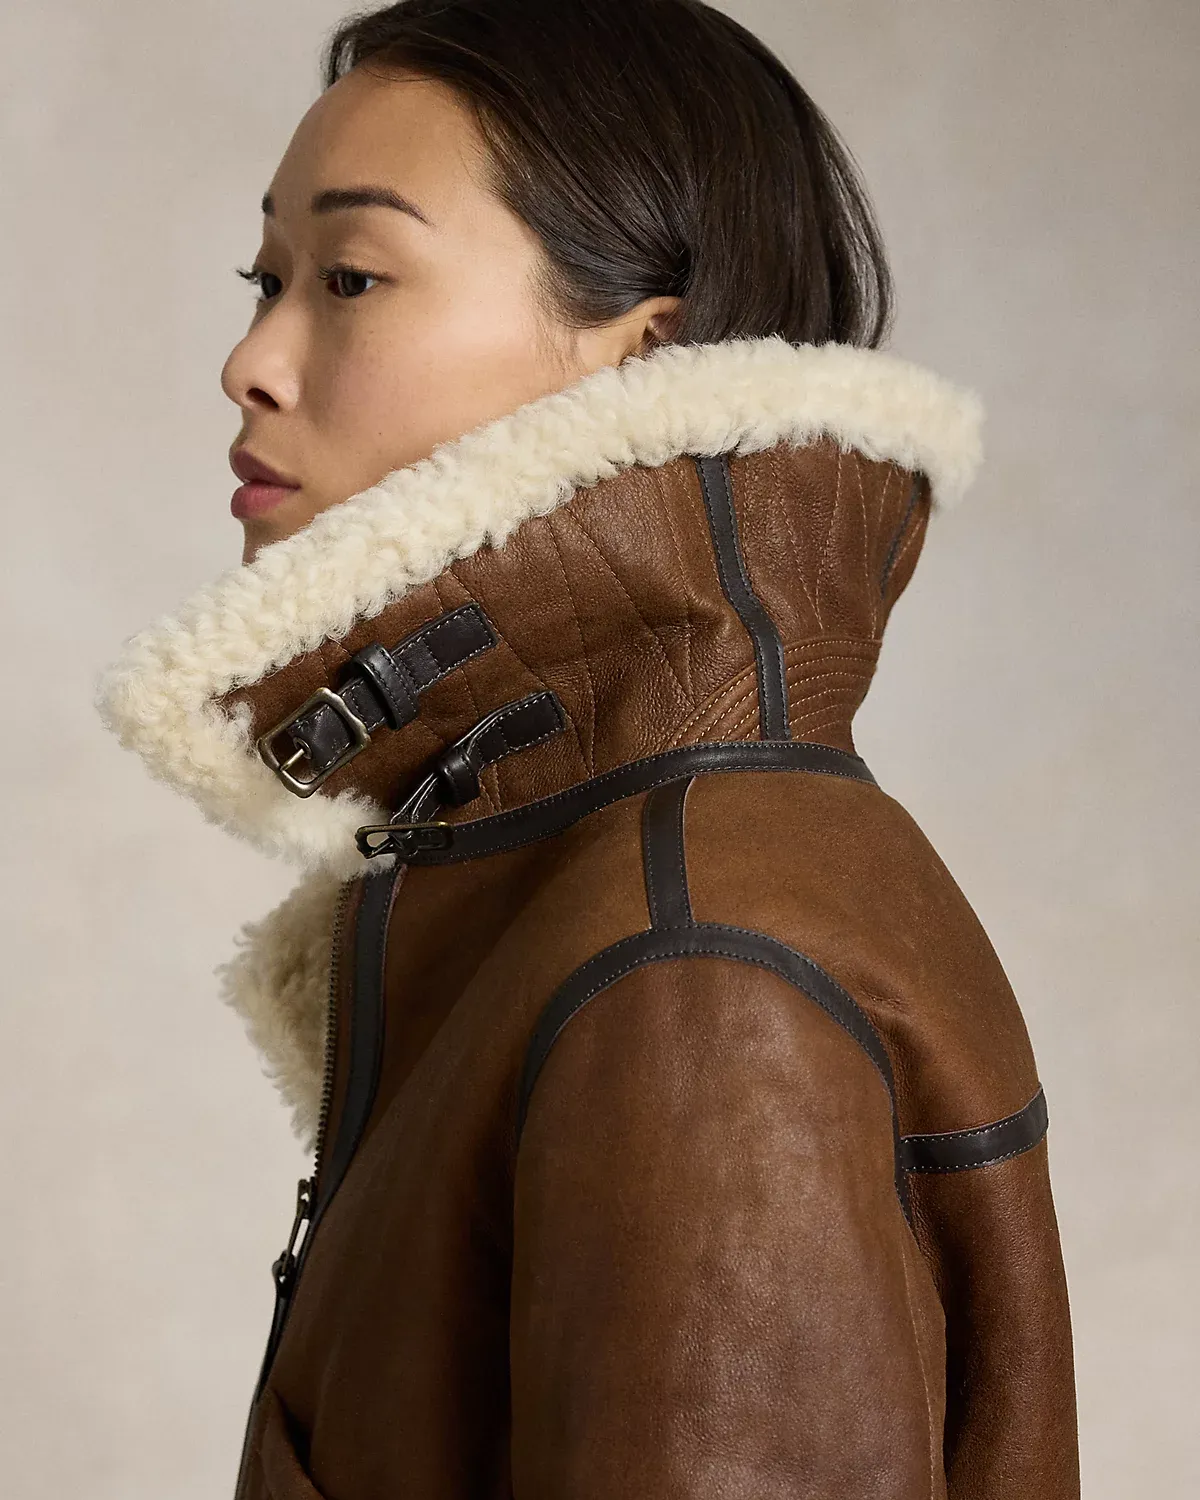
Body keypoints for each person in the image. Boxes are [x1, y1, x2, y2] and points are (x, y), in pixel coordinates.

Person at [98, 1, 1080, 1495]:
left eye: (352, 276)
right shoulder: (599, 876)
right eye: (267, 279)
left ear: (639, 358)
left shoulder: (694, 973)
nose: (251, 360)